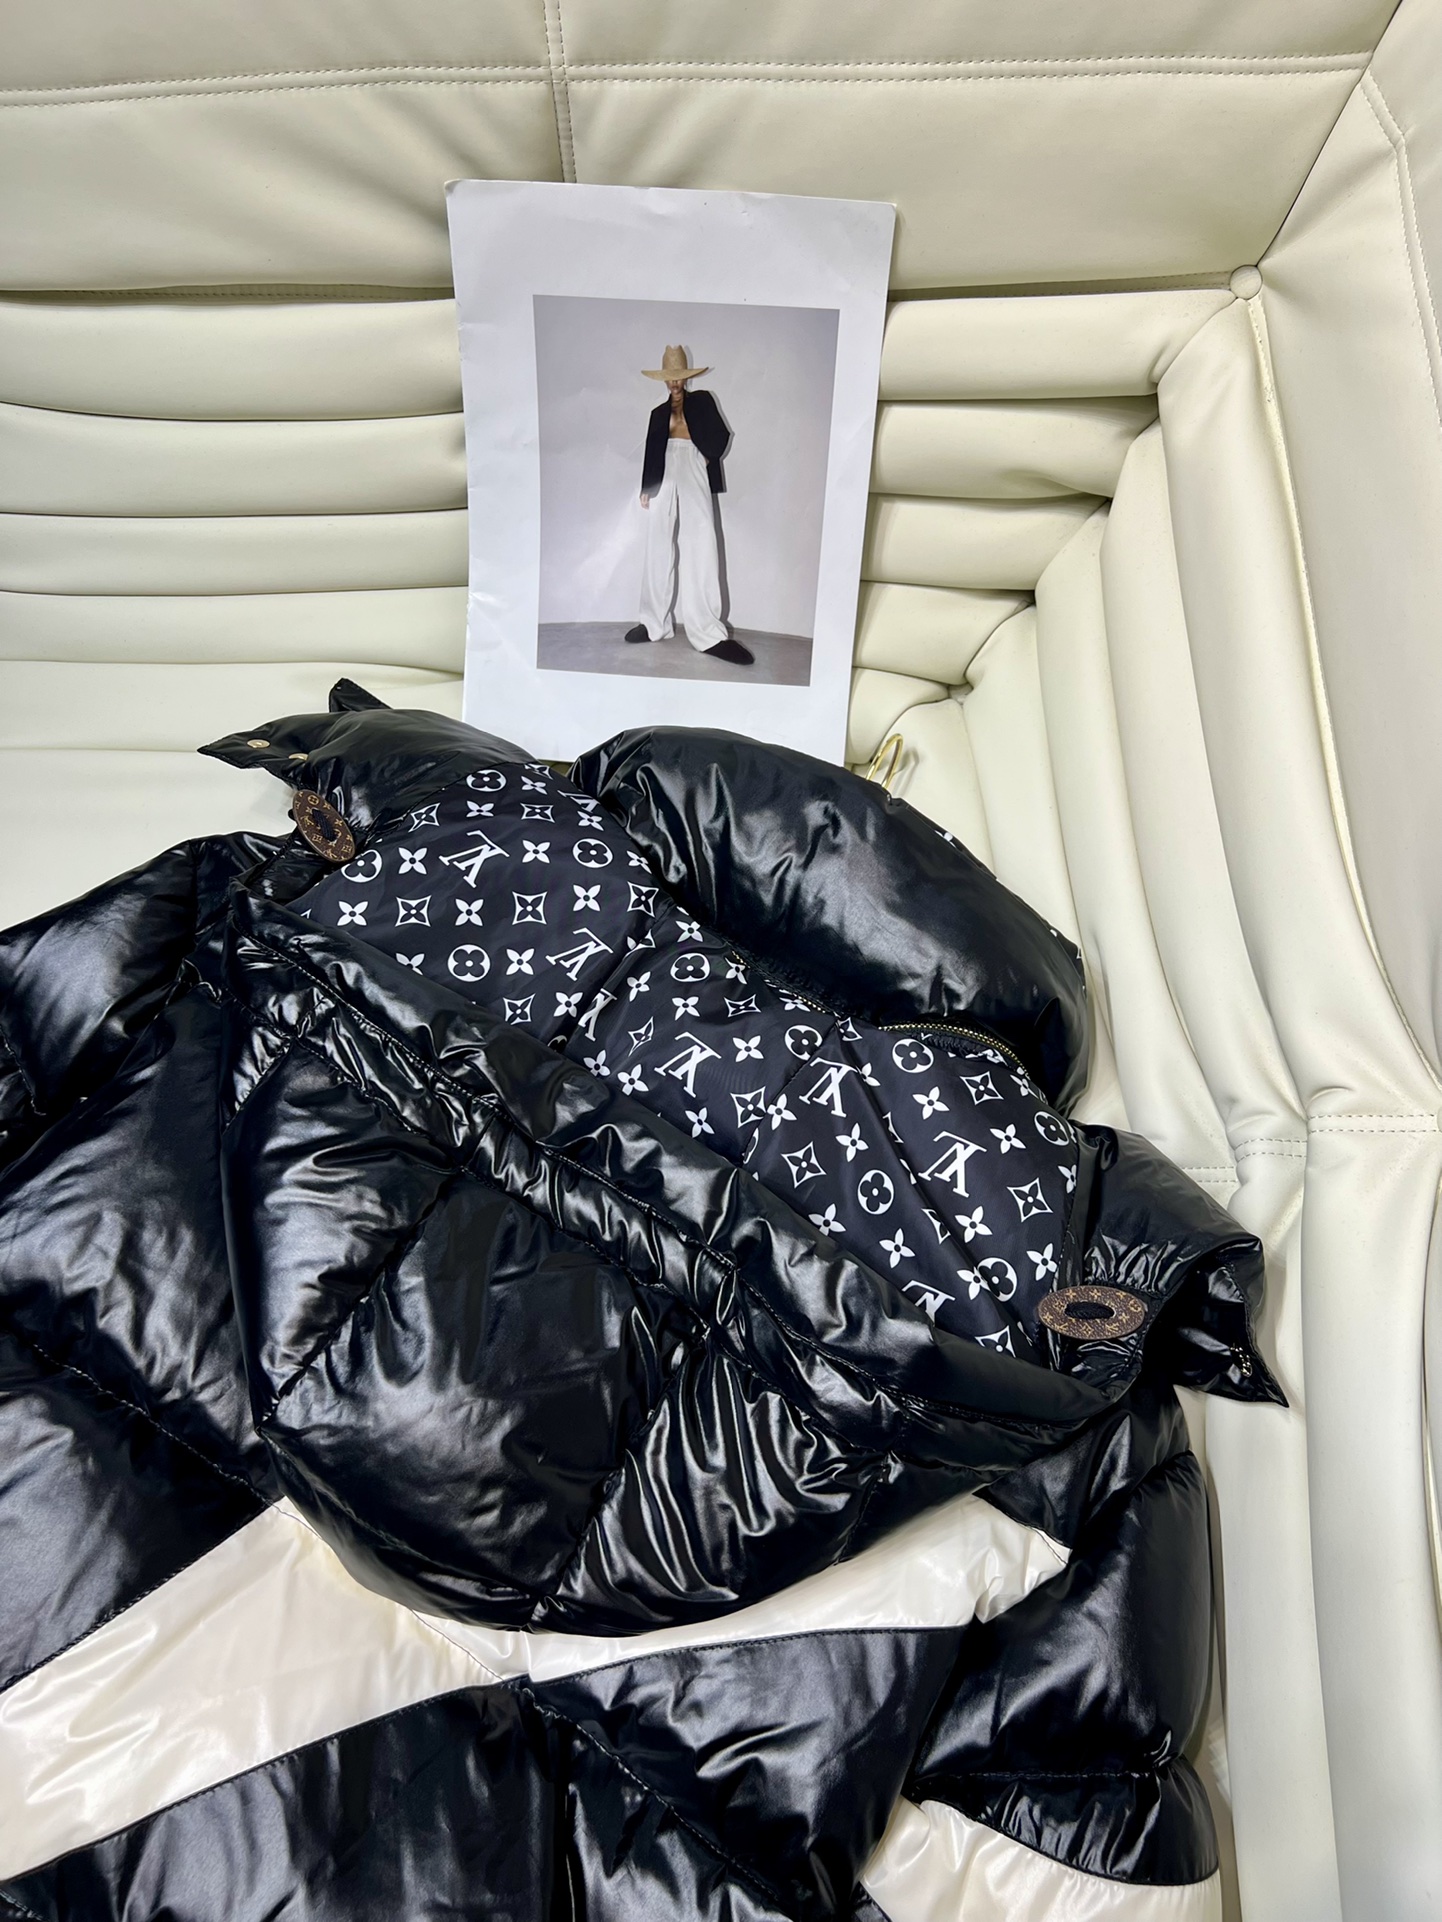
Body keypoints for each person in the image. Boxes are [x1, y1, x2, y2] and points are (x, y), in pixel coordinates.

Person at [626, 345, 754, 666]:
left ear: (686, 378)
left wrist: (705, 456)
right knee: (657, 543)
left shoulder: (703, 401)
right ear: (663, 380)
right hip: (664, 470)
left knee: (701, 540)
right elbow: (652, 449)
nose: (674, 383)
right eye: (669, 378)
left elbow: (721, 435)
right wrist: (647, 486)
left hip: (693, 463)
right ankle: (653, 623)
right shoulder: (658, 413)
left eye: (678, 377)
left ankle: (708, 633)